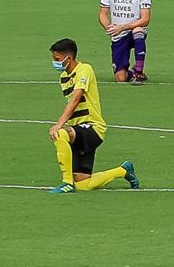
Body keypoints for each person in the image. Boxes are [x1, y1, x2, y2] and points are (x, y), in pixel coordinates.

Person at [47, 38, 139, 194]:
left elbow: (76, 98)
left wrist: (59, 124)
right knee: (84, 184)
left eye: (57, 59)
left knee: (59, 133)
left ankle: (66, 183)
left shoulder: (84, 69)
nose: (54, 62)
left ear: (68, 58)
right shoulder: (63, 77)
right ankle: (123, 171)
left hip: (92, 128)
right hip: (79, 130)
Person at [99, 0, 151, 85]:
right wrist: (109, 28)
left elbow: (145, 19)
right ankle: (131, 73)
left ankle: (138, 71)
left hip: (133, 29)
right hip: (118, 35)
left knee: (138, 31)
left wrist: (122, 27)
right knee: (120, 78)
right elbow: (102, 14)